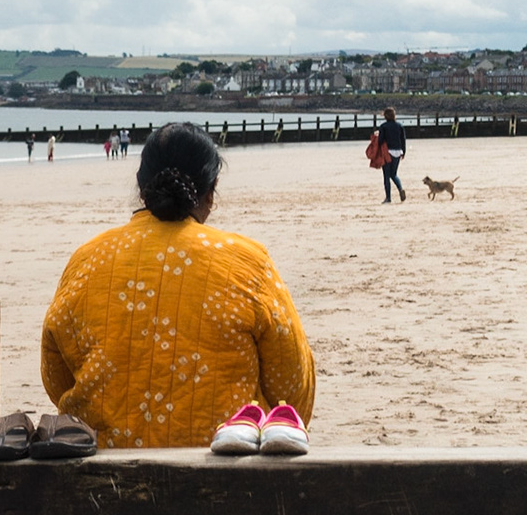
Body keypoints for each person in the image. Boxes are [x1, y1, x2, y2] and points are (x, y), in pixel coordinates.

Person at [40, 122, 315, 449]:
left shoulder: (87, 260)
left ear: (142, 187)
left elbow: (56, 379)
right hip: (225, 472)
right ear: (211, 191)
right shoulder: (247, 262)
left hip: (103, 474)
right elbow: (293, 392)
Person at [376, 107, 407, 203]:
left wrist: (377, 136)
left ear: (385, 116)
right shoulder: (399, 126)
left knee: (386, 175)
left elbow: (380, 141)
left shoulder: (384, 126)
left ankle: (388, 198)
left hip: (387, 152)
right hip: (398, 152)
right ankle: (400, 189)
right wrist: (404, 152)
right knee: (393, 174)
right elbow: (403, 140)